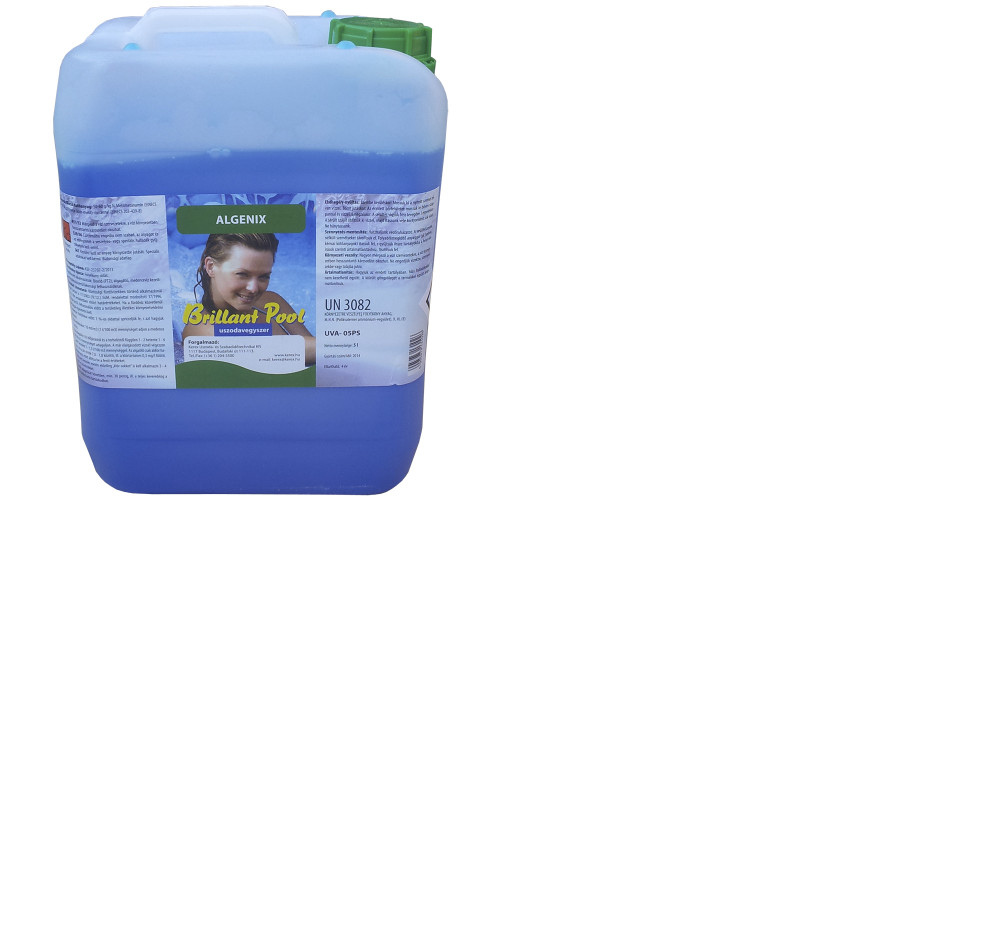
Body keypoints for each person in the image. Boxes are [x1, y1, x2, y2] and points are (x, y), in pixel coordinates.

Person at [183, 232, 315, 365]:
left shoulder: (271, 302)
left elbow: (316, 355)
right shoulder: (201, 332)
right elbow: (284, 354)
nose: (254, 289)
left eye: (263, 276)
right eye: (242, 274)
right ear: (211, 267)